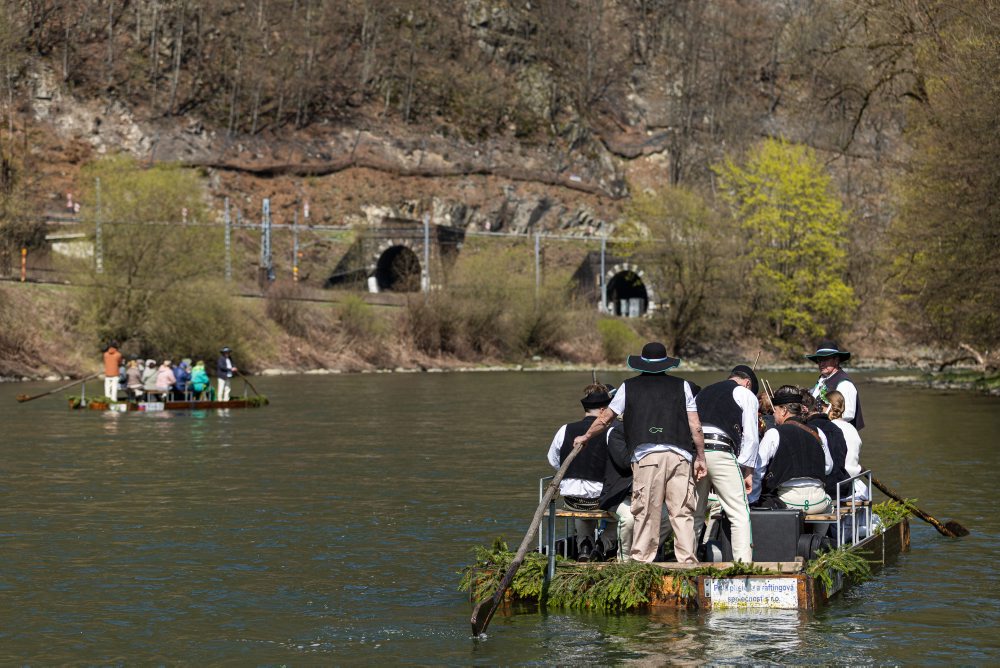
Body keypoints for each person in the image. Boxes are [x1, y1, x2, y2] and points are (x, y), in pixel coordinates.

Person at [573, 341, 708, 564]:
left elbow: (605, 419)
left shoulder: (628, 387)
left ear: (642, 364)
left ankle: (641, 562)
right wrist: (700, 457)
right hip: (680, 456)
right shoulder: (683, 385)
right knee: (682, 512)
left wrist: (586, 436)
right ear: (666, 364)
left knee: (646, 511)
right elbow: (696, 426)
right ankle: (687, 563)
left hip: (647, 458)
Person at [693, 365, 761, 563]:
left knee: (695, 513)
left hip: (696, 453)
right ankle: (743, 564)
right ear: (747, 383)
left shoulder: (703, 393)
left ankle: (687, 562)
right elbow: (751, 437)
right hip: (721, 451)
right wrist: (748, 470)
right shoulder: (745, 394)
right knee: (739, 513)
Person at [547, 384, 618, 561]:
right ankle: (603, 544)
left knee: (582, 504)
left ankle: (585, 544)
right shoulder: (611, 431)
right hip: (598, 501)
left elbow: (553, 460)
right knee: (628, 513)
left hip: (571, 500)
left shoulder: (564, 429)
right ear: (603, 410)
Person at [599, 423, 672, 561]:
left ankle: (644, 555)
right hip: (620, 496)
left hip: (649, 495)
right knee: (629, 519)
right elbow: (624, 462)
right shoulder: (618, 433)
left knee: (668, 518)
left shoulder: (656, 432)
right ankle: (625, 561)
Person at [756, 386, 832, 515]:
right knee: (828, 502)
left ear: (784, 410)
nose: (773, 414)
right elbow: (828, 467)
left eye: (775, 410)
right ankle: (820, 530)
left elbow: (758, 469)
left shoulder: (773, 433)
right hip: (819, 502)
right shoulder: (818, 432)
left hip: (789, 502)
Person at [807, 340, 864, 429]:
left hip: (838, 433)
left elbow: (848, 414)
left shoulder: (845, 384)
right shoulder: (822, 380)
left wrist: (822, 420)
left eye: (825, 359)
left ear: (836, 360)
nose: (821, 363)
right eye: (819, 360)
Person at [826, 390, 868, 500]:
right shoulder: (852, 428)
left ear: (828, 407)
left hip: (838, 483)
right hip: (854, 479)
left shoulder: (829, 428)